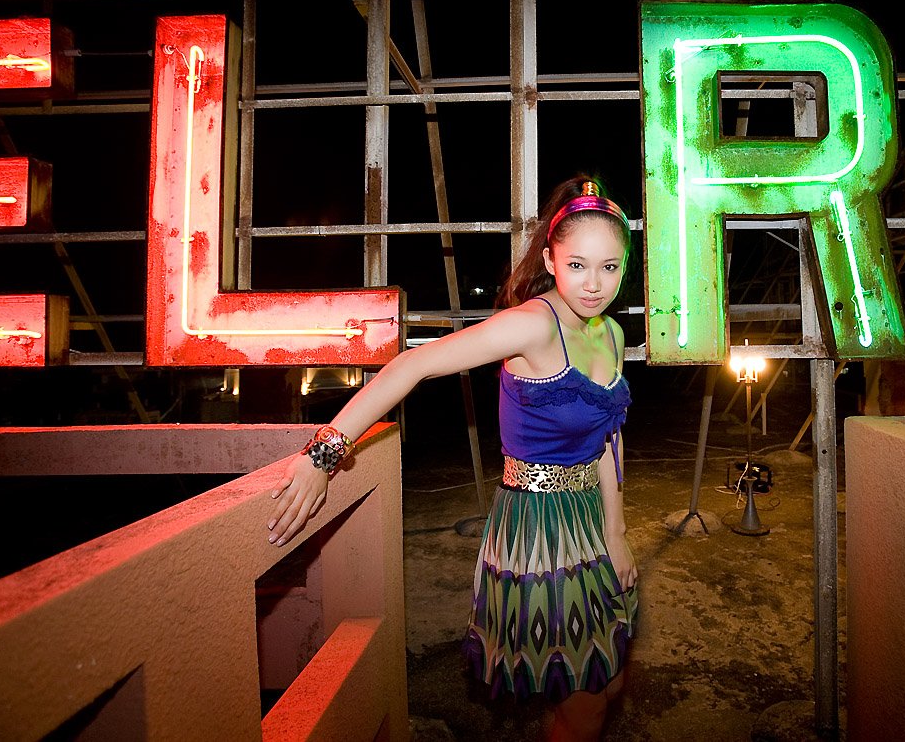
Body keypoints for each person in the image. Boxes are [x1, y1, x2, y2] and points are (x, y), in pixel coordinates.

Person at [265, 176, 638, 741]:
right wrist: (323, 455)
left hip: (591, 517)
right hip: (538, 528)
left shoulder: (610, 333)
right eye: (578, 265)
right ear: (550, 261)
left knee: (609, 679)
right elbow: (413, 365)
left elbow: (608, 436)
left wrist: (617, 530)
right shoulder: (531, 325)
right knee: (585, 702)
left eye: (609, 267)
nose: (594, 284)